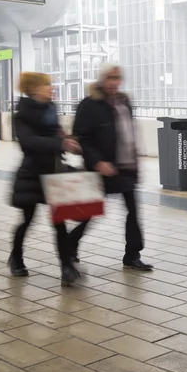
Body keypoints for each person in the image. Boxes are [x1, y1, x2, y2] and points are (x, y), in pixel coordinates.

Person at [73, 63, 152, 272]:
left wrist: (136, 160)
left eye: (117, 78)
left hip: (125, 167)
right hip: (101, 169)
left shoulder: (124, 101)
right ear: (101, 80)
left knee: (133, 211)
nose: (114, 82)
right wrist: (97, 161)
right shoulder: (90, 104)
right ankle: (70, 245)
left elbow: (129, 133)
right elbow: (82, 138)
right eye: (109, 78)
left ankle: (132, 255)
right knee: (89, 212)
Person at [10, 72, 84, 286]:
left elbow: (55, 136)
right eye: (47, 85)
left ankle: (66, 268)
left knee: (59, 223)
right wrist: (59, 144)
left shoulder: (51, 109)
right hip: (32, 174)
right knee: (27, 221)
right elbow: (28, 142)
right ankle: (16, 257)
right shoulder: (22, 114)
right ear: (33, 89)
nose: (52, 88)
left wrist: (68, 141)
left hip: (54, 173)